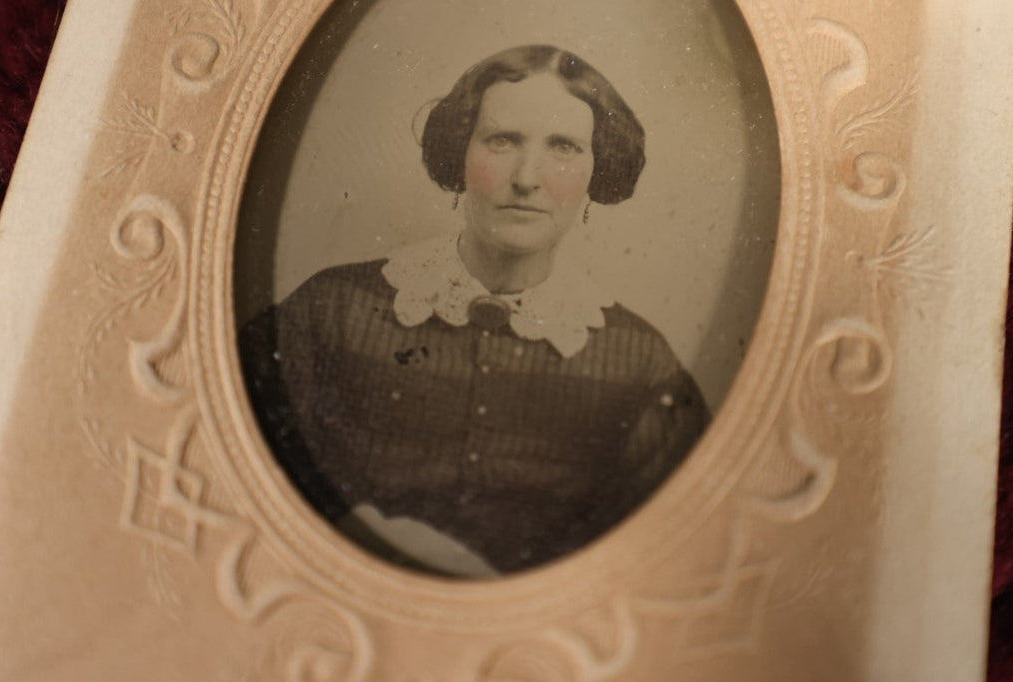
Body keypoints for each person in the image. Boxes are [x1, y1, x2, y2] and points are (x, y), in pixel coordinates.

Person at [240, 45, 708, 578]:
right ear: (460, 155)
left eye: (564, 147)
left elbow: (670, 557)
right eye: (502, 140)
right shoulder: (334, 310)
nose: (528, 177)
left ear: (595, 174)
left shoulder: (639, 364)